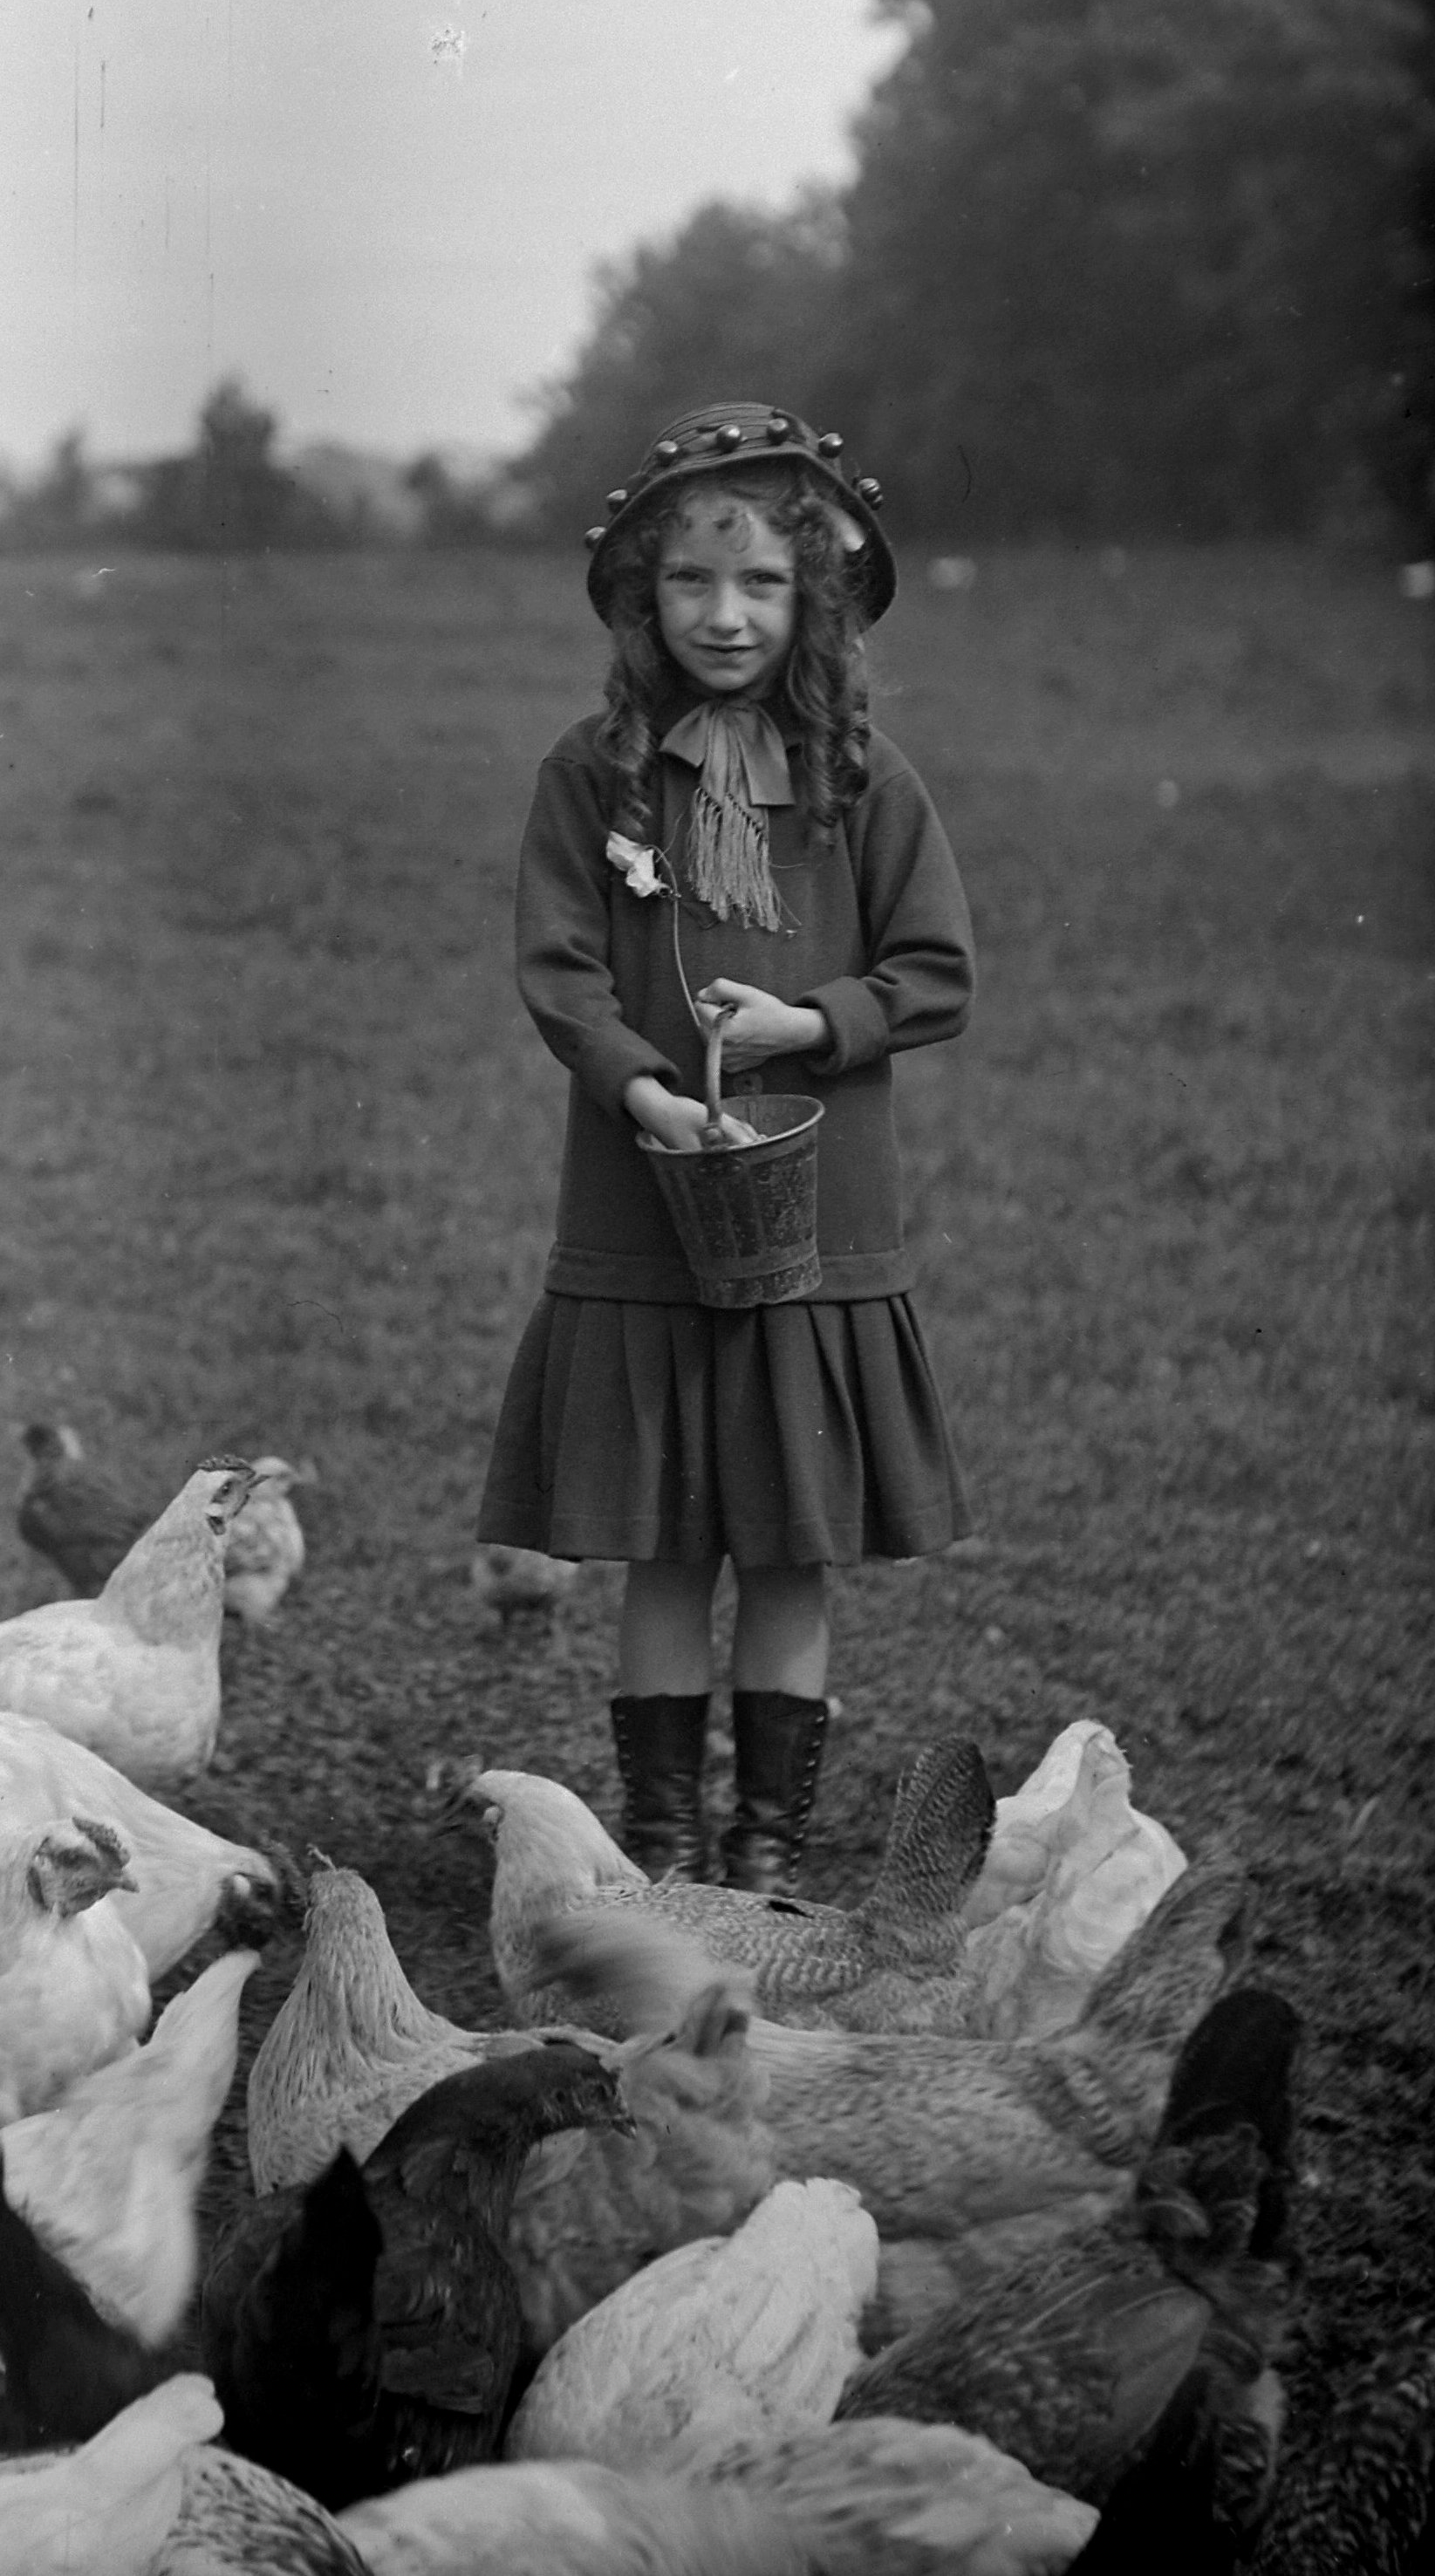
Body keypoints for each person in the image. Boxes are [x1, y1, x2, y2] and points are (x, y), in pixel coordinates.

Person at [477, 403, 974, 1893]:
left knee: (784, 1543)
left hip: (817, 1219)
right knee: (662, 1544)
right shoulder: (594, 772)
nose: (726, 614)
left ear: (815, 598)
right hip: (642, 1207)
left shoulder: (868, 782)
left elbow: (936, 972)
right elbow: (561, 969)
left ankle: (763, 1844)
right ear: (641, 594)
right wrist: (643, 1087)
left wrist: (809, 1026)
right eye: (692, 583)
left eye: (762, 585)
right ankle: (663, 1835)